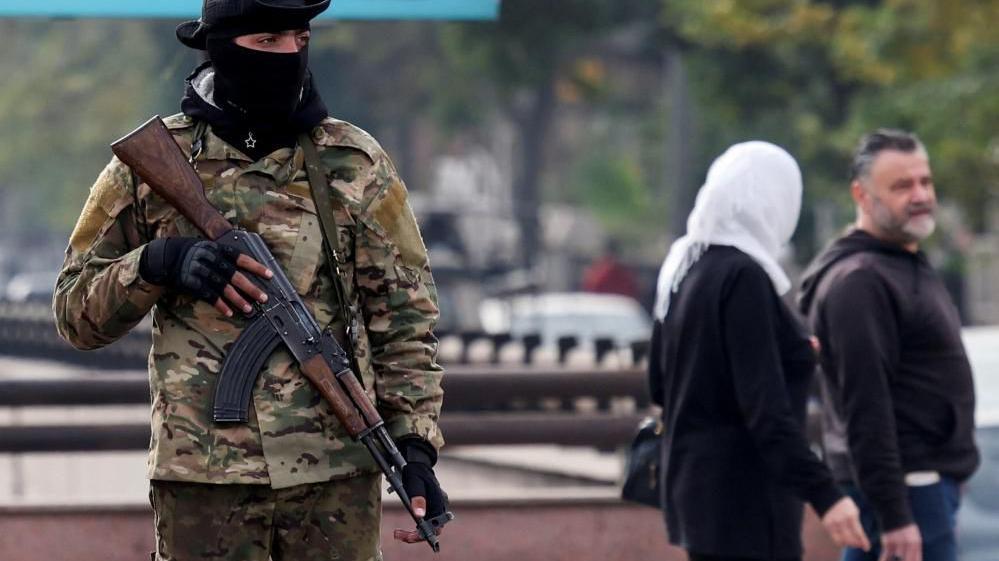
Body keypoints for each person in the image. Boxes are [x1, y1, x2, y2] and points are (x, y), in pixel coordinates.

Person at [53, 1, 447, 559]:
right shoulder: (148, 168)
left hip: (332, 475)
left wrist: (414, 446)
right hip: (203, 476)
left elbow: (406, 320)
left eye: (299, 37)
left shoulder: (354, 164)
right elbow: (74, 314)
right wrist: (158, 264)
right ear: (220, 47)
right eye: (267, 42)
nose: (288, 54)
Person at [649, 141, 870, 561]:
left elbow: (659, 384)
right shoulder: (744, 277)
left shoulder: (684, 266)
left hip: (696, 498)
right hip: (747, 504)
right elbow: (765, 411)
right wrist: (827, 496)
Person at [798, 129, 979, 561]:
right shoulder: (860, 281)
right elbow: (865, 407)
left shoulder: (900, 262)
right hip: (905, 494)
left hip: (924, 487)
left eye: (925, 181)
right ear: (861, 195)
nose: (919, 195)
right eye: (901, 186)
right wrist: (895, 515)